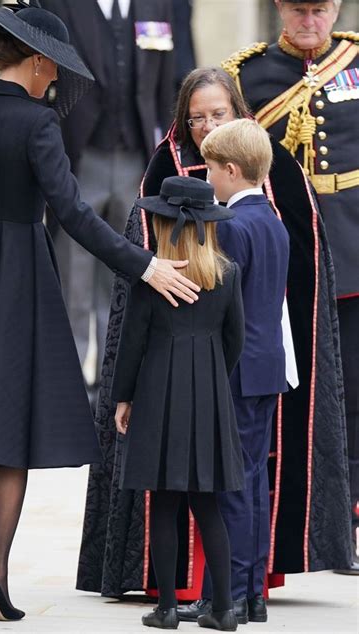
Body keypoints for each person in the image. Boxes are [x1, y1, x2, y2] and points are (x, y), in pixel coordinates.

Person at [0, 3, 200, 622]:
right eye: (55, 69)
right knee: (10, 427)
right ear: (37, 59)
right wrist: (144, 264)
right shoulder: (38, 124)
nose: (57, 81)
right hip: (21, 277)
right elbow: (73, 215)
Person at [76, 67, 350, 604]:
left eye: (216, 115)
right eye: (196, 117)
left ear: (238, 115)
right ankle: (215, 589)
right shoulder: (167, 166)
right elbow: (145, 269)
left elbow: (295, 268)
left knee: (233, 480)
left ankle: (234, 591)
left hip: (230, 362)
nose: (204, 126)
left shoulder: (266, 176)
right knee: (228, 477)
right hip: (208, 361)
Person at [221, 0, 358, 575]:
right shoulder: (245, 76)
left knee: (354, 389)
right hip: (287, 249)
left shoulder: (355, 60)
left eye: (320, 9)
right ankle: (284, 522)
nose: (311, 20)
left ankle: (346, 523)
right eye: (300, 9)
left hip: (354, 244)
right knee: (288, 391)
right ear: (281, 8)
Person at [113, 175, 244, 631]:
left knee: (165, 503)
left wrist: (123, 398)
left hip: (158, 392)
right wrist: (210, 379)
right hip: (209, 396)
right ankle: (224, 608)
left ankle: (167, 608)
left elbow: (132, 344)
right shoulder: (226, 274)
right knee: (208, 505)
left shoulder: (154, 277)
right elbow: (236, 341)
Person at [39, 0, 175, 405]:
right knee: (74, 273)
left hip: (137, 154)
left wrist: (163, 153)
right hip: (80, 153)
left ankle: (112, 376)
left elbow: (165, 79)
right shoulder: (63, 5)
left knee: (123, 272)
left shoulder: (157, 5)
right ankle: (67, 377)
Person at [196, 119, 289, 624]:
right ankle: (250, 593)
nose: (207, 178)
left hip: (233, 370)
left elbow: (220, 306)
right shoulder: (272, 220)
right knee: (252, 483)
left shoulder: (230, 225)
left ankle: (225, 597)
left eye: (210, 168)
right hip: (267, 366)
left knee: (228, 484)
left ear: (230, 170)